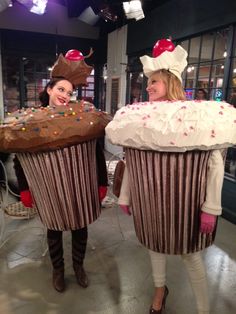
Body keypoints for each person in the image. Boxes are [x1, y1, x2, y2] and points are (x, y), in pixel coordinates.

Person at [105, 38, 231, 314]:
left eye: (155, 82)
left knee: (191, 254)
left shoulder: (198, 118)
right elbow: (132, 160)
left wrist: (211, 207)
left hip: (189, 202)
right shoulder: (139, 120)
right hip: (152, 200)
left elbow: (214, 163)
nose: (148, 87)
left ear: (171, 82)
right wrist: (126, 194)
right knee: (156, 246)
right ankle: (160, 292)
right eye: (148, 82)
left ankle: (202, 308)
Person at [14, 50, 108, 293]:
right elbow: (20, 156)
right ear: (49, 90)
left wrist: (101, 181)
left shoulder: (83, 115)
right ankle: (58, 270)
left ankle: (78, 266)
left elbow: (96, 150)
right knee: (54, 228)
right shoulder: (32, 119)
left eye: (69, 92)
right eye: (60, 90)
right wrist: (25, 188)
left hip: (79, 182)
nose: (65, 95)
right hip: (49, 185)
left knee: (80, 226)